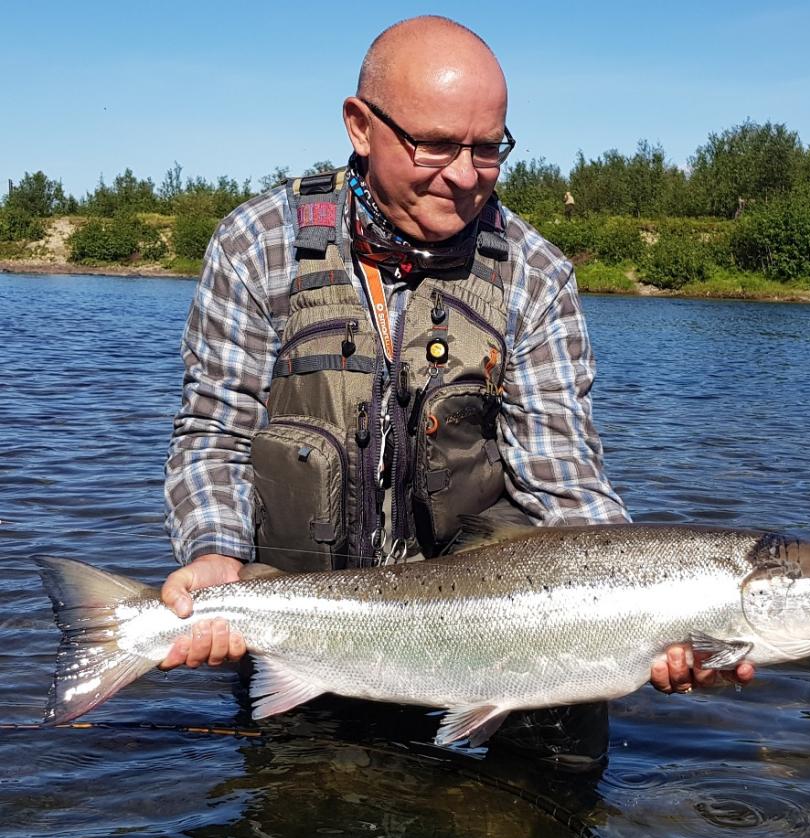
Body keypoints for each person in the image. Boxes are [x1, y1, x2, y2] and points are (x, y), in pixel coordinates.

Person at [160, 15, 753, 770]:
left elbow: (563, 480)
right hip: (305, 627)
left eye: (488, 149)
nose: (466, 174)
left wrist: (647, 620)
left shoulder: (536, 276)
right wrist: (215, 556)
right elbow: (214, 436)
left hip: (502, 638)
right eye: (436, 145)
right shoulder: (257, 247)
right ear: (360, 125)